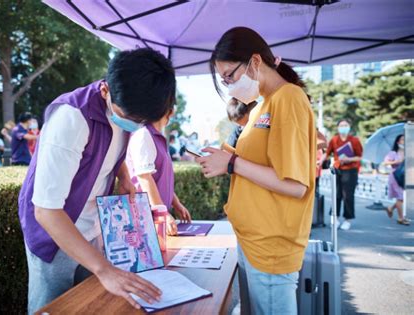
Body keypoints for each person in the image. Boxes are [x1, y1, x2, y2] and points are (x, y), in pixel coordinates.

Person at [18, 48, 175, 314]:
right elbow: (46, 210)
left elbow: (111, 147)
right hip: (55, 233)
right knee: (54, 307)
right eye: (132, 119)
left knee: (95, 304)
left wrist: (123, 175)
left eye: (143, 122)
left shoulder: (127, 109)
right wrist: (105, 270)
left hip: (93, 227)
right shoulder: (71, 118)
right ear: (105, 91)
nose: (136, 126)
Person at [198, 27, 316, 315]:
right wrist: (226, 158)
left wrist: (231, 163)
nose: (228, 85)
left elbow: (295, 184)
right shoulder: (263, 104)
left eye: (229, 76)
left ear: (254, 61)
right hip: (253, 240)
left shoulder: (288, 98)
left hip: (271, 245)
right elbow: (257, 166)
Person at [126, 109, 191, 236]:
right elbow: (144, 178)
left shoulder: (156, 136)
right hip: (144, 218)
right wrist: (163, 214)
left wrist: (176, 203)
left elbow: (161, 179)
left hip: (155, 216)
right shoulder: (143, 134)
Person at [325, 119, 363, 230]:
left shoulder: (354, 140)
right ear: (337, 127)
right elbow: (327, 154)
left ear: (349, 127)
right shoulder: (334, 140)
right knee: (336, 195)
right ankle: (335, 218)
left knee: (348, 196)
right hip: (337, 170)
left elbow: (359, 156)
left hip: (351, 170)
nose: (343, 127)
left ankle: (348, 219)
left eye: (346, 125)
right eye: (341, 125)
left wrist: (349, 158)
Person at [384, 135, 409, 225]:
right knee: (400, 196)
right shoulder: (393, 153)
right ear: (398, 142)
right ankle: (400, 218)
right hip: (395, 176)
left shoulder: (408, 152)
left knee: (402, 198)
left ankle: (390, 208)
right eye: (402, 139)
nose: (404, 141)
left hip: (405, 176)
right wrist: (396, 162)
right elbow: (385, 162)